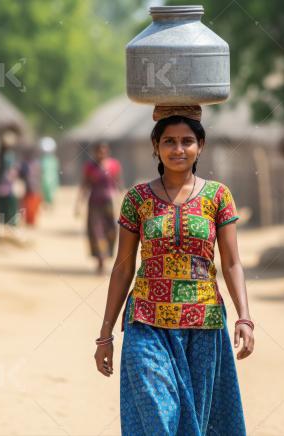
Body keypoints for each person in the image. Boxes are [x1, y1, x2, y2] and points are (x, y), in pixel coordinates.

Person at [93, 106, 253, 435]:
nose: (178, 149)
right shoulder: (137, 198)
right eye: (169, 141)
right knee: (156, 411)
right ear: (156, 146)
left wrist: (244, 317)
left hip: (202, 324)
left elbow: (232, 262)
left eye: (187, 141)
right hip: (146, 322)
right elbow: (123, 267)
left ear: (200, 146)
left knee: (194, 419)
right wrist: (105, 334)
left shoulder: (218, 197)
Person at [75, 142, 123, 274]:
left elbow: (118, 183)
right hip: (95, 203)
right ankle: (100, 260)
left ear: (107, 151)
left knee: (111, 230)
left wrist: (123, 201)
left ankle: (107, 256)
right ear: (95, 152)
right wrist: (78, 204)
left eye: (104, 151)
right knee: (96, 231)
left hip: (110, 202)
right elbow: (84, 185)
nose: (102, 153)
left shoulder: (114, 165)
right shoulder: (90, 167)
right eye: (99, 151)